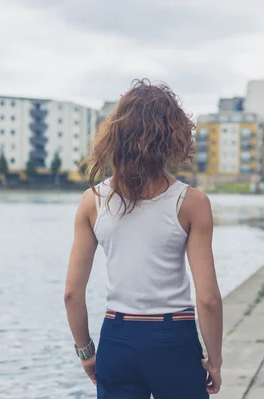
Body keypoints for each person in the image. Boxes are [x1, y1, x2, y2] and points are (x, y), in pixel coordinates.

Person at [64, 79, 223, 398]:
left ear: (116, 136)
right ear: (172, 137)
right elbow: (208, 298)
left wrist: (86, 352)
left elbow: (71, 293)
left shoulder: (91, 201)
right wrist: (214, 361)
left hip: (117, 338)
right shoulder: (191, 203)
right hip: (173, 338)